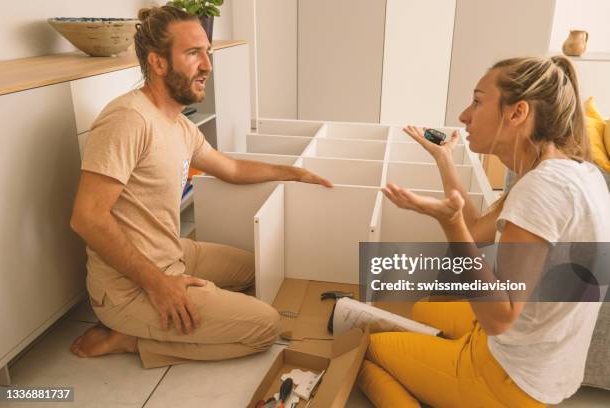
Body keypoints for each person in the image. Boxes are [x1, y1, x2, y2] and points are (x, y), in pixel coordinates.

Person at [69, 6, 332, 369]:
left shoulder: (179, 125)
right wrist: (160, 284)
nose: (207, 65)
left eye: (206, 52)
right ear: (158, 63)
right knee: (264, 327)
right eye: (193, 53)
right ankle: (132, 339)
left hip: (170, 252)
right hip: (128, 287)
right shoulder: (128, 120)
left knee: (255, 268)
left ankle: (167, 313)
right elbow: (87, 218)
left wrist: (292, 172)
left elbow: (232, 168)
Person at [358, 56, 610, 407]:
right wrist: (445, 160)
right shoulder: (576, 171)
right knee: (420, 311)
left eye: (477, 101)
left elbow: (499, 318)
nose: (464, 115)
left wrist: (450, 225)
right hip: (548, 362)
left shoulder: (540, 190)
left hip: (511, 381)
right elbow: (477, 230)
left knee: (365, 350)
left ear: (517, 113)